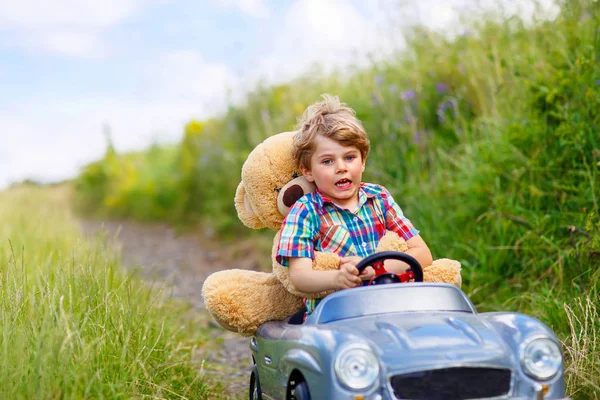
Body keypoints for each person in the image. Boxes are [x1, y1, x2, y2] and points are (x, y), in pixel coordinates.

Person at [276, 94, 433, 316]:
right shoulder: (306, 210)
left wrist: (377, 269)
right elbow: (300, 277)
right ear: (307, 171)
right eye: (327, 161)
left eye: (349, 157)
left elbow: (423, 254)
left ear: (363, 161)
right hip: (336, 314)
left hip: (389, 303)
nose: (341, 168)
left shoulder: (379, 198)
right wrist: (337, 278)